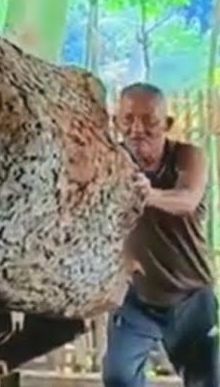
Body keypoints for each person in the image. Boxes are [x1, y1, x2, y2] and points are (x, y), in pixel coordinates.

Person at [103, 82, 217, 387]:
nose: (137, 129)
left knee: (208, 380)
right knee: (119, 377)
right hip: (137, 297)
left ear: (166, 124)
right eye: (127, 120)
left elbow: (187, 200)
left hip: (190, 295)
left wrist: (149, 195)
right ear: (116, 123)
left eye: (149, 121)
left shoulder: (188, 157)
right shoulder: (110, 162)